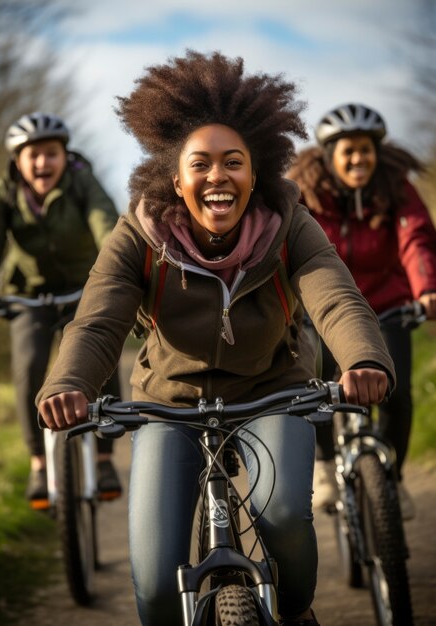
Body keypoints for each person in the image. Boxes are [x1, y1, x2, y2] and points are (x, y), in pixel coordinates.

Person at [37, 52, 395, 626]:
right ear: (175, 179)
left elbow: (335, 297)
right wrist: (68, 384)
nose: (217, 177)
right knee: (155, 585)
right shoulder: (140, 233)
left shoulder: (288, 224)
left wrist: (362, 359)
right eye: (200, 164)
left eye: (234, 163)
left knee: (281, 517)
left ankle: (298, 612)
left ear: (257, 174)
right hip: (167, 404)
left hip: (273, 391)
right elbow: (98, 320)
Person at [287, 103, 436, 520]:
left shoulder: (395, 188)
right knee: (314, 387)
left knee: (398, 394)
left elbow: (416, 238)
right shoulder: (307, 195)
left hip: (386, 307)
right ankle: (323, 466)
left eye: (365, 149)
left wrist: (426, 290)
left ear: (377, 152)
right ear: (329, 156)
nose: (357, 159)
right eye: (347, 150)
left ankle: (394, 477)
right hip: (320, 310)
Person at [0, 112, 123, 502]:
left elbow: (106, 224)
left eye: (51, 154)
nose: (42, 163)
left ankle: (104, 456)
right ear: (16, 161)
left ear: (64, 156)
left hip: (84, 289)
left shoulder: (82, 181)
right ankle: (38, 462)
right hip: (30, 296)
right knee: (28, 367)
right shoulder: (4, 192)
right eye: (32, 155)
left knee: (101, 356)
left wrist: (119, 274)